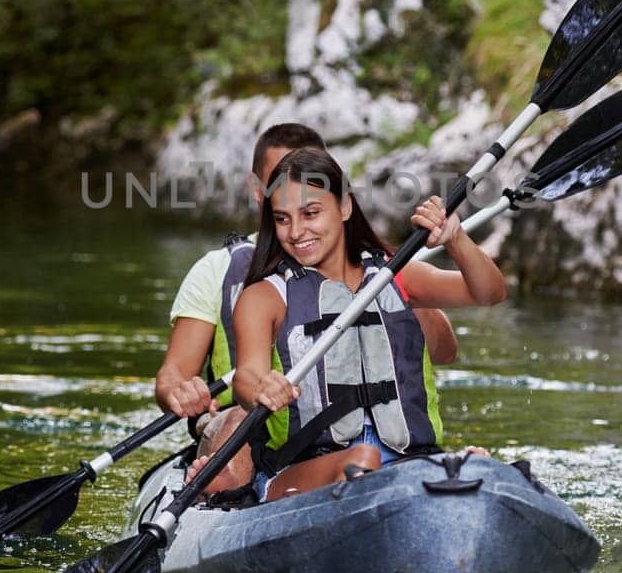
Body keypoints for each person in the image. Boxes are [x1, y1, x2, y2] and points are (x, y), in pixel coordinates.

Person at [153, 124, 457, 493]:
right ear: (257, 190)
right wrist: (180, 393)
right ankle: (221, 495)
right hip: (245, 412)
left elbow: (443, 351)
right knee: (240, 420)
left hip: (353, 432)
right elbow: (173, 377)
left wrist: (403, 302)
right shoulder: (218, 270)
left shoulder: (376, 268)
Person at [229, 147, 506, 501]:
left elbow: (490, 293)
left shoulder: (393, 275)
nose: (296, 232)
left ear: (345, 207)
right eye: (283, 219)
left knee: (476, 464)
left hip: (408, 460)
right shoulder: (265, 296)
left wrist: (456, 240)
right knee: (364, 460)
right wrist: (261, 388)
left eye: (311, 213)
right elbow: (245, 377)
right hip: (306, 469)